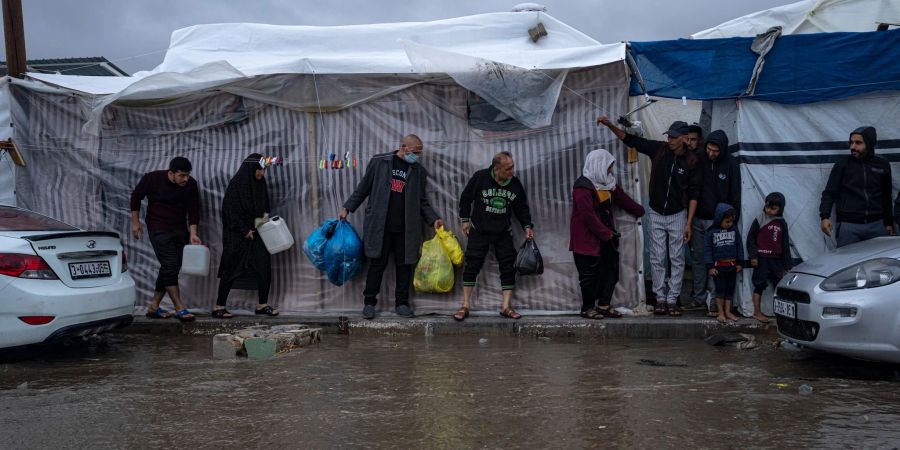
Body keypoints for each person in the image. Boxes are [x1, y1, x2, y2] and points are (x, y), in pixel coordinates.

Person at [597, 116, 700, 316]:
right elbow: (630, 140)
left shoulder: (692, 161)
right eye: (669, 136)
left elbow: (694, 194)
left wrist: (688, 223)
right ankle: (660, 298)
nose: (669, 140)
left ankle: (673, 300)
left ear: (684, 139)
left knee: (677, 258)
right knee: (657, 257)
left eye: (674, 137)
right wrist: (610, 125)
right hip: (656, 211)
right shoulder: (659, 150)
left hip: (678, 214)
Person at [341, 135, 443, 320]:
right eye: (415, 152)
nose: (417, 155)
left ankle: (402, 303)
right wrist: (348, 207)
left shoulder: (418, 171)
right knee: (377, 265)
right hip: (381, 226)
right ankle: (369, 303)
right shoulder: (380, 162)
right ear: (403, 147)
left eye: (419, 152)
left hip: (406, 228)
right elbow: (363, 188)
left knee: (404, 266)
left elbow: (422, 201)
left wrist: (433, 219)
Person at [454, 151, 534, 321]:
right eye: (508, 168)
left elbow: (521, 208)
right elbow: (466, 198)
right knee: (472, 264)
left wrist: (527, 226)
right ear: (496, 169)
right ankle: (465, 305)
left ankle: (505, 307)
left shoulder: (515, 184)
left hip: (503, 232)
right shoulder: (481, 178)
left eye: (513, 167)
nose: (512, 171)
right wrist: (465, 219)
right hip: (479, 230)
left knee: (508, 266)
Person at [570, 149, 644, 319]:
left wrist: (639, 210)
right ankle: (587, 308)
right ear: (599, 165)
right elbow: (588, 216)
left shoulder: (608, 183)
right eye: (609, 166)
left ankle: (604, 304)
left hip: (606, 237)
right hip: (587, 239)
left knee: (611, 270)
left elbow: (622, 198)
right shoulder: (582, 187)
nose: (611, 170)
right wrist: (606, 233)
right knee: (588, 276)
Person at [130, 156, 201, 322]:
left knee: (171, 267)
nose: (186, 179)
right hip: (158, 228)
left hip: (179, 230)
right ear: (171, 173)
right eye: (182, 175)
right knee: (170, 265)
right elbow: (136, 197)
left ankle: (153, 307)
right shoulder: (152, 179)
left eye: (187, 175)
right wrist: (135, 222)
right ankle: (179, 307)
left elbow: (194, 209)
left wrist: (193, 233)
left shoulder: (190, 184)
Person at [214, 153, 280, 318]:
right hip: (237, 235)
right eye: (259, 170)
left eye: (263, 170)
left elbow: (265, 206)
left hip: (257, 232)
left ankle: (262, 304)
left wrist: (261, 223)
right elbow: (229, 212)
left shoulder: (260, 184)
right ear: (251, 168)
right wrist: (244, 230)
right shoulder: (237, 185)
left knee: (263, 266)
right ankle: (218, 306)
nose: (262, 174)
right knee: (231, 268)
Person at [687, 130, 740, 314]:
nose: (712, 154)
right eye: (709, 149)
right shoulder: (699, 158)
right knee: (698, 259)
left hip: (718, 223)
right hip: (698, 218)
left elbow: (735, 194)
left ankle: (713, 301)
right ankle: (698, 297)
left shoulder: (731, 163)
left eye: (716, 151)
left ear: (723, 149)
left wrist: (732, 222)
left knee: (716, 263)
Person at [819, 126, 892, 247]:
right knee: (846, 263)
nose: (852, 147)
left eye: (858, 143)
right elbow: (829, 193)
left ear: (869, 143)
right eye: (851, 142)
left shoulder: (882, 165)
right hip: (849, 227)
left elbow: (886, 195)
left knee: (878, 265)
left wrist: (888, 222)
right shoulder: (842, 165)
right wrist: (824, 217)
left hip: (877, 226)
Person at [746, 192, 792, 323]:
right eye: (768, 207)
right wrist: (753, 256)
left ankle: (781, 313)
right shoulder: (759, 219)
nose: (770, 211)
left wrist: (787, 265)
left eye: (773, 208)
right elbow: (750, 239)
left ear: (780, 208)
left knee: (779, 286)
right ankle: (757, 312)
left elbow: (785, 244)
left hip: (776, 259)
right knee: (759, 285)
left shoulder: (782, 223)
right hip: (761, 258)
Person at [703, 203, 743, 324]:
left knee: (730, 289)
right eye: (727, 221)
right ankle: (720, 312)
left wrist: (740, 263)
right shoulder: (711, 232)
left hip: (732, 266)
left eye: (731, 221)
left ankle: (728, 311)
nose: (729, 224)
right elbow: (707, 250)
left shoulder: (734, 230)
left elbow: (739, 246)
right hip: (718, 267)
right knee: (720, 290)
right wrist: (710, 267)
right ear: (719, 219)